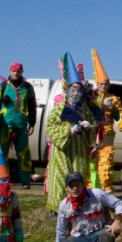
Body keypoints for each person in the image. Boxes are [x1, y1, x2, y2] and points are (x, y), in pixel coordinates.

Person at [46, 55, 101, 213]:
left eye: (79, 90)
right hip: (63, 148)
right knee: (62, 175)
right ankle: (57, 208)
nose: (76, 93)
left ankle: (75, 205)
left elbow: (92, 125)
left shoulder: (85, 110)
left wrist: (87, 127)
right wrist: (68, 131)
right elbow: (51, 127)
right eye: (73, 89)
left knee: (77, 175)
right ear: (68, 90)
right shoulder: (59, 108)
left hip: (78, 149)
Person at [0, 62, 37, 188]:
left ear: (22, 72)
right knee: (2, 154)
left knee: (24, 153)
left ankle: (26, 181)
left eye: (18, 71)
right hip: (4, 125)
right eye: (13, 71)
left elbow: (32, 105)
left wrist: (32, 123)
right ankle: (2, 180)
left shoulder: (28, 87)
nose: (16, 74)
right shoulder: (2, 86)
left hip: (21, 126)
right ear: (9, 71)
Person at [89, 49, 120, 192]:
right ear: (97, 84)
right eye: (101, 84)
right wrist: (96, 105)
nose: (104, 86)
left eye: (106, 84)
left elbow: (117, 117)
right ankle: (91, 184)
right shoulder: (91, 98)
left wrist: (113, 108)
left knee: (106, 158)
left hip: (107, 133)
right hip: (93, 132)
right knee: (93, 158)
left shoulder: (113, 98)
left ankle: (105, 185)